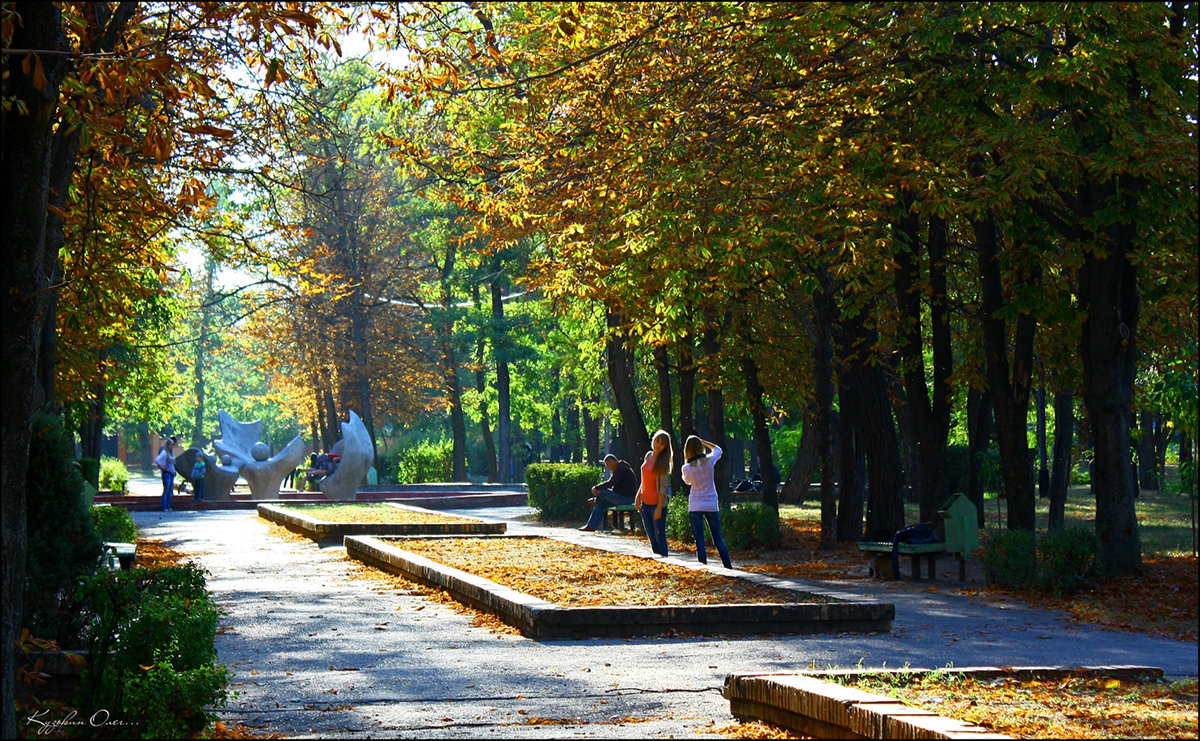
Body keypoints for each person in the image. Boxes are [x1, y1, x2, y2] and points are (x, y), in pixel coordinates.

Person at [680, 435, 732, 568]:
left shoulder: (687, 468)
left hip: (696, 504)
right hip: (711, 504)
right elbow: (718, 450)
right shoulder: (709, 461)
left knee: (700, 540)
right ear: (700, 447)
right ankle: (728, 565)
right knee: (718, 539)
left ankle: (703, 567)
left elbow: (687, 482)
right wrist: (704, 441)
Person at [633, 429, 673, 557]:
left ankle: (665, 560)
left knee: (659, 535)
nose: (658, 445)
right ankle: (658, 559)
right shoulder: (648, 455)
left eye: (661, 443)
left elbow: (662, 487)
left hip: (657, 503)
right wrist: (638, 496)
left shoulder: (663, 462)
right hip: (645, 502)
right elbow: (644, 480)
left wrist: (659, 507)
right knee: (651, 535)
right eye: (657, 441)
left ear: (666, 447)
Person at [578, 454, 638, 532]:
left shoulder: (621, 468)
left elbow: (610, 483)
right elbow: (613, 487)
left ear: (612, 461)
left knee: (602, 492)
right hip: (622, 497)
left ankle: (596, 503)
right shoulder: (619, 468)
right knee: (601, 504)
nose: (608, 467)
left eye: (607, 464)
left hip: (627, 499)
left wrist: (596, 488)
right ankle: (591, 526)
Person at [155, 436, 178, 511]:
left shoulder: (171, 454)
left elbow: (172, 463)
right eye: (171, 445)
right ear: (168, 445)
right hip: (166, 473)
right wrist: (162, 467)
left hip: (171, 473)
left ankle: (168, 506)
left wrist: (174, 470)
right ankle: (164, 506)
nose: (172, 446)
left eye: (172, 445)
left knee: (170, 490)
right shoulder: (165, 453)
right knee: (166, 489)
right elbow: (157, 460)